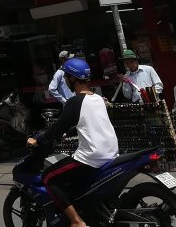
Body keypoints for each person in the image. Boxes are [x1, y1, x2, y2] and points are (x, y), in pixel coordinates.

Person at [29, 58, 119, 227]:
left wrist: (38, 140)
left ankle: (76, 221)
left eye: (66, 78)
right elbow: (86, 123)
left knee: (48, 178)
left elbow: (57, 128)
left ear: (72, 79)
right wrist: (69, 132)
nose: (65, 81)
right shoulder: (98, 99)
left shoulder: (75, 102)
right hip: (112, 153)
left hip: (92, 157)